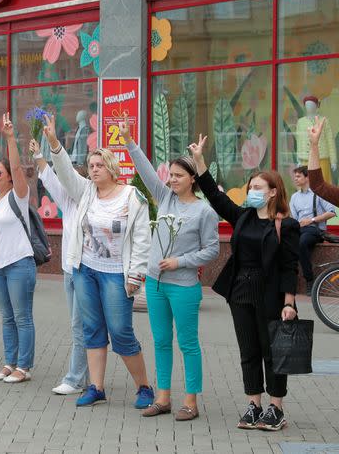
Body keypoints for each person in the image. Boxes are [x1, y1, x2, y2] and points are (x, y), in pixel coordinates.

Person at [189, 134, 299, 432]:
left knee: (273, 351)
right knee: (248, 350)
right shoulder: (243, 217)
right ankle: (254, 404)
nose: (251, 191)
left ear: (274, 192)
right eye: (250, 187)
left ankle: (276, 408)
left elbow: (290, 266)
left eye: (258, 188)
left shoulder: (286, 225)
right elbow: (215, 196)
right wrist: (199, 161)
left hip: (271, 294)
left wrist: (289, 303)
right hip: (240, 292)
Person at [46, 114, 155, 409]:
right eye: (91, 166)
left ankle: (144, 387)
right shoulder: (86, 192)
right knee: (92, 329)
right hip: (86, 271)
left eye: (99, 165)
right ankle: (96, 387)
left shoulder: (132, 197)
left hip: (117, 275)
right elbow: (66, 172)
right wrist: (54, 142)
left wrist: (137, 274)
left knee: (120, 331)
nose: (93, 170)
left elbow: (143, 239)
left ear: (112, 168)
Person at [121, 122, 219, 420]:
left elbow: (212, 250)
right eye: (171, 175)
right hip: (155, 284)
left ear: (192, 179)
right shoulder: (164, 198)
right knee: (161, 341)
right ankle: (163, 398)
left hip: (184, 286)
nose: (172, 179)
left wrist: (181, 261)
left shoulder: (205, 211)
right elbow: (146, 170)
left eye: (178, 176)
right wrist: (128, 141)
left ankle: (191, 401)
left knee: (188, 344)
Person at [28, 139, 89, 395]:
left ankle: (76, 378)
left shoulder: (88, 196)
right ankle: (86, 376)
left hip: (87, 271)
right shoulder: (66, 201)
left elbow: (60, 174)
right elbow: (50, 179)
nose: (65, 183)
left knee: (81, 326)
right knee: (82, 326)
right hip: (69, 270)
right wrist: (39, 154)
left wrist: (52, 147)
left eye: (70, 177)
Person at [0, 112, 37, 384]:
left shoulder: (18, 194)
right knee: (7, 318)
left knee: (22, 317)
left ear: (8, 177)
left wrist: (10, 139)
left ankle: (24, 367)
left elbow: (17, 169)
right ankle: (9, 362)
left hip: (19, 263)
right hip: (0, 266)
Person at [289, 165, 335, 294]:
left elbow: (332, 212)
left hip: (315, 230)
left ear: (307, 177)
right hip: (300, 229)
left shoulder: (318, 194)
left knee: (302, 242)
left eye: (298, 176)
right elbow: (295, 219)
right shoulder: (294, 197)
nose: (295, 179)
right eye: (295, 177)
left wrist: (312, 220)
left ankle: (309, 280)